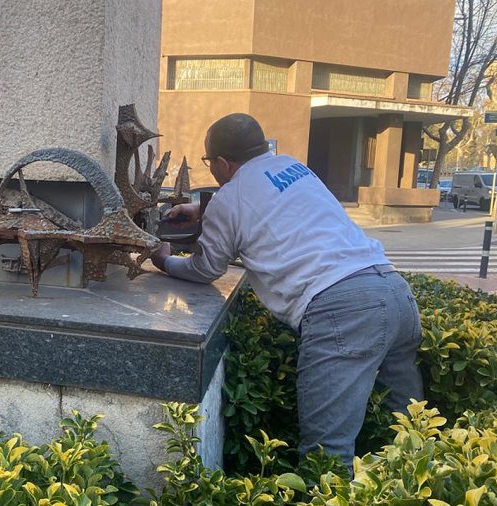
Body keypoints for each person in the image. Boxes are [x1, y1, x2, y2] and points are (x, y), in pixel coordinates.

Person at [151, 113, 423, 471]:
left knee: (326, 458)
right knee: (412, 434)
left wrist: (165, 261)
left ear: (220, 163)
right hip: (394, 292)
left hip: (341, 309)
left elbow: (206, 269)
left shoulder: (228, 199)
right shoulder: (292, 166)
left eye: (209, 163)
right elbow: (270, 202)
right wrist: (205, 210)